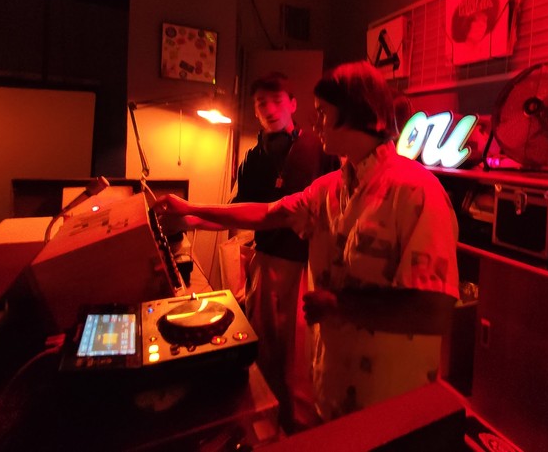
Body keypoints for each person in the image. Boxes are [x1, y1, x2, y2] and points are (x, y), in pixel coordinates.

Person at [153, 61, 460, 422]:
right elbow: (268, 213)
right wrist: (190, 209)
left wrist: (339, 306)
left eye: (323, 113)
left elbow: (434, 313)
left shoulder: (417, 191)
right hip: (334, 387)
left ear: (355, 113)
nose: (316, 123)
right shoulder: (329, 189)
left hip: (389, 398)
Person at [230, 71, 336, 433]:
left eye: (277, 101)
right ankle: (268, 425)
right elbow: (242, 207)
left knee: (300, 358)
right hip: (264, 262)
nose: (270, 109)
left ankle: (301, 430)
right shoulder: (251, 158)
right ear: (254, 111)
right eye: (261, 103)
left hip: (306, 266)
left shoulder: (318, 148)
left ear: (292, 104)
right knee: (264, 349)